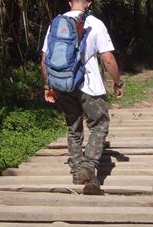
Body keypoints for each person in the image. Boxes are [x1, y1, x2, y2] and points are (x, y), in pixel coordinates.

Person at [41, 0, 124, 195]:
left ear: (69, 2)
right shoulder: (95, 23)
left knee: (73, 126)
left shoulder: (56, 24)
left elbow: (44, 59)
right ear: (89, 2)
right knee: (100, 124)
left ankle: (78, 171)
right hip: (89, 85)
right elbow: (108, 58)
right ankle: (88, 165)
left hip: (62, 85)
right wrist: (117, 82)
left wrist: (48, 86)